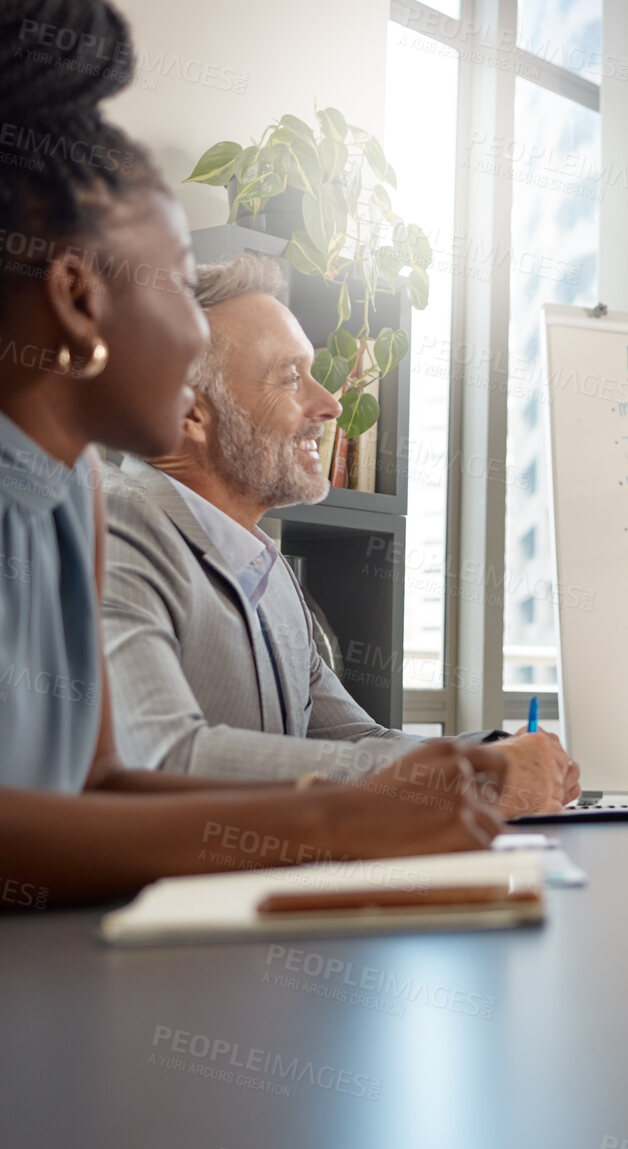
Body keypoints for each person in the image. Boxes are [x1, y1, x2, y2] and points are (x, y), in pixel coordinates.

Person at [0, 0, 501, 906]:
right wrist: (334, 822)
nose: (197, 339)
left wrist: (400, 795)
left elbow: (100, 787)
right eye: (183, 288)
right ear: (78, 298)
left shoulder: (75, 493)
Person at [99, 254, 576, 816]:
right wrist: (479, 778)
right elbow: (166, 756)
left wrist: (499, 755)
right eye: (290, 377)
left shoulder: (267, 570)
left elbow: (353, 739)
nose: (329, 404)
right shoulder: (116, 525)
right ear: (190, 415)